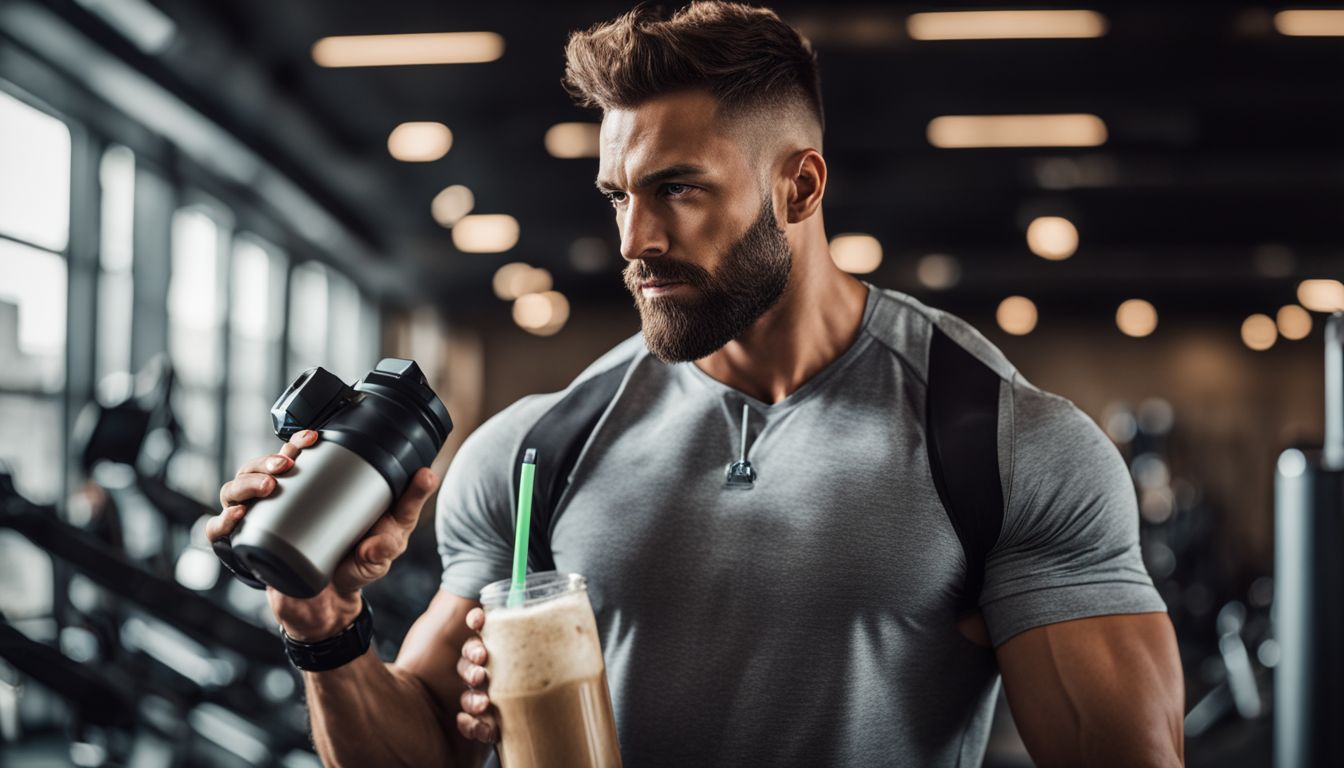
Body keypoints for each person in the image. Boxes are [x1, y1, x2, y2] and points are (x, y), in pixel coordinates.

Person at [209, 3, 1184, 765]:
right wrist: (324, 625)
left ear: (799, 187)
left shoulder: (999, 445)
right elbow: (421, 754)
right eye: (619, 196)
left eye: (678, 188)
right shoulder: (537, 448)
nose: (634, 242)